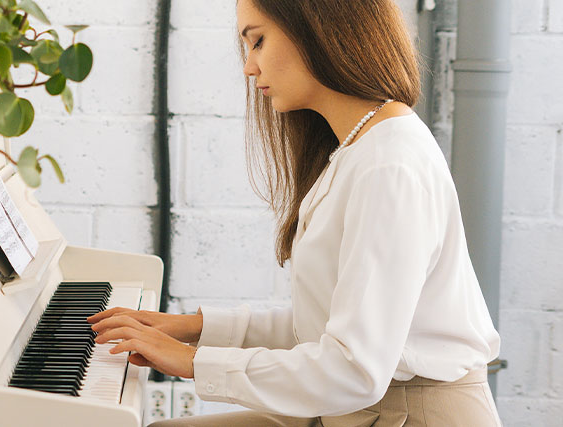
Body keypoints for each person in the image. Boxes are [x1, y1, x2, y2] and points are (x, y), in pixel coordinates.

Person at [86, 0, 502, 425]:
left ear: (319, 28)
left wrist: (191, 361)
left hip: (408, 413)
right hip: (358, 408)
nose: (249, 67)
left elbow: (354, 370)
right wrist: (190, 327)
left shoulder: (389, 165)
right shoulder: (360, 148)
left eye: (258, 41)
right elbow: (322, 326)